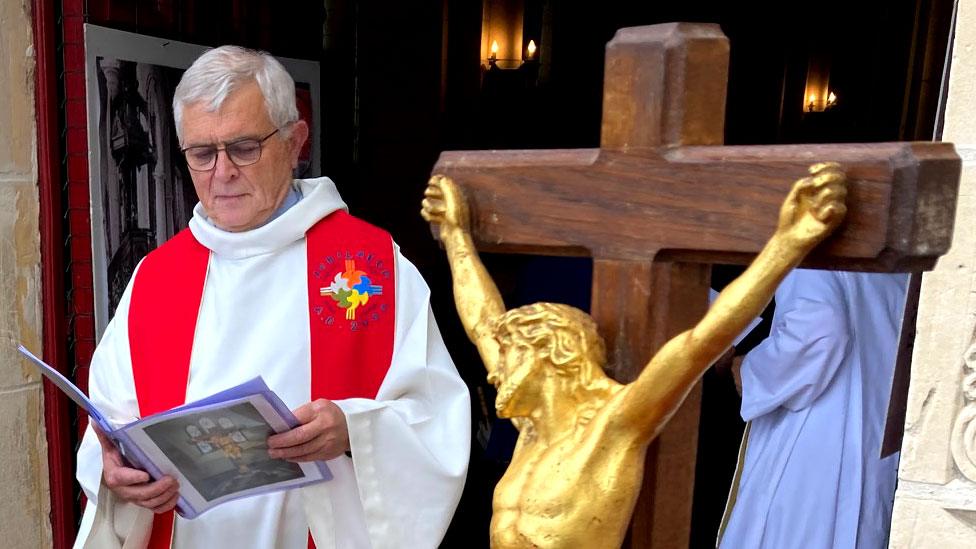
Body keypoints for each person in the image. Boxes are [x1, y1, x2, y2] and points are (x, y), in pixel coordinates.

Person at [74, 45, 470, 549]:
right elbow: (112, 423)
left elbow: (437, 418)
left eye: (243, 147)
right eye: (202, 153)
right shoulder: (157, 277)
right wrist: (114, 470)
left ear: (294, 141)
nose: (222, 173)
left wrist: (353, 430)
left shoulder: (368, 264)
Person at [419, 161, 847, 548]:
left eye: (511, 357)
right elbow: (481, 322)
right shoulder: (531, 420)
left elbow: (700, 344)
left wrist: (790, 242)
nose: (495, 369)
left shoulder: (613, 426)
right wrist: (456, 236)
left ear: (551, 358)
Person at [718, 269, 908, 548]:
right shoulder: (900, 265)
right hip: (872, 440)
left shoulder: (814, 252)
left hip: (815, 444)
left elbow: (820, 328)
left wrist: (749, 372)